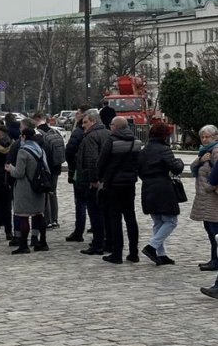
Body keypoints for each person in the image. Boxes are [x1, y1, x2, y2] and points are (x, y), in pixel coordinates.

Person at [96, 116, 143, 264]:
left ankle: (117, 253)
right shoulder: (136, 142)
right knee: (130, 217)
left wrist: (101, 178)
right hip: (130, 183)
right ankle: (133, 252)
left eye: (111, 124)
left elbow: (101, 162)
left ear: (115, 126)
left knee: (115, 218)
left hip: (114, 184)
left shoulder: (112, 141)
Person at [136, 123, 184, 265]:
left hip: (148, 187)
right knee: (171, 221)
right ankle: (152, 246)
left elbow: (139, 170)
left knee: (158, 222)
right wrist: (180, 162)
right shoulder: (164, 149)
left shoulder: (143, 151)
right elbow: (175, 168)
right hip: (163, 188)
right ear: (165, 135)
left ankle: (161, 254)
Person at [5, 128, 48, 254]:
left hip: (26, 188)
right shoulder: (40, 149)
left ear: (23, 136)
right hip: (39, 187)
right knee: (39, 214)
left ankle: (23, 245)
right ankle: (43, 242)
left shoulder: (23, 151)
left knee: (23, 216)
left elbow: (19, 173)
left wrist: (10, 169)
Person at [75, 109, 111, 256]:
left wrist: (93, 180)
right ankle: (108, 242)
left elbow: (92, 160)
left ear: (93, 121)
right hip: (107, 180)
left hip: (93, 182)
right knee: (106, 214)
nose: (83, 125)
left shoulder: (90, 137)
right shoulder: (108, 134)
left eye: (85, 122)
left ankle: (98, 244)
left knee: (95, 214)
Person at [190, 124, 218, 272]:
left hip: (214, 200)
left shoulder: (216, 151)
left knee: (216, 233)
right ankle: (214, 259)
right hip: (205, 200)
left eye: (208, 137)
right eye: (202, 137)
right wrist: (200, 160)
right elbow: (193, 168)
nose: (204, 139)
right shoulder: (204, 152)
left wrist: (209, 186)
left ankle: (216, 261)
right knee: (210, 231)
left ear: (215, 137)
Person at [64, 105, 91, 242]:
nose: (76, 115)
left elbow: (69, 150)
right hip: (90, 170)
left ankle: (79, 230)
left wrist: (72, 165)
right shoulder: (99, 130)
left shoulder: (78, 132)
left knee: (80, 202)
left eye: (78, 113)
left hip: (79, 170)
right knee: (91, 202)